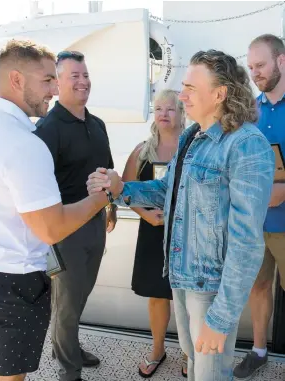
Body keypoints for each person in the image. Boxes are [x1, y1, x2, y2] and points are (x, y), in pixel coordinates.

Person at [86, 49, 275, 381]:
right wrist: (122, 187)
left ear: (219, 94)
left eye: (190, 88)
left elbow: (247, 244)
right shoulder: (192, 137)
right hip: (181, 278)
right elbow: (166, 191)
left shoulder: (247, 145)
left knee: (210, 375)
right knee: (198, 369)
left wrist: (221, 318)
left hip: (211, 289)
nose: (182, 95)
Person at [0, 40, 120, 381]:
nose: (54, 89)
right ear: (16, 79)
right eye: (48, 80)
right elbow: (51, 229)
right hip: (14, 279)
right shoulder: (28, 141)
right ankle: (69, 368)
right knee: (9, 376)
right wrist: (105, 196)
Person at [34, 50, 117, 381]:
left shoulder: (97, 125)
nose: (83, 82)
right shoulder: (47, 129)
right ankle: (69, 370)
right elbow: (35, 187)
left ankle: (65, 346)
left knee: (80, 295)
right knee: (66, 305)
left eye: (85, 75)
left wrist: (108, 206)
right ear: (57, 83)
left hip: (95, 224)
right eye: (74, 76)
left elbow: (106, 171)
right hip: (64, 231)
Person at [121, 89, 188, 378]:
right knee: (157, 297)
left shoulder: (193, 146)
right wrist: (146, 215)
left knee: (187, 297)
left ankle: (189, 353)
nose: (164, 113)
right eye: (159, 108)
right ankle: (158, 350)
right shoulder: (142, 151)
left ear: (181, 112)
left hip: (187, 233)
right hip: (152, 231)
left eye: (170, 109)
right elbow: (124, 189)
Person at [234, 34, 285, 380]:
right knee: (258, 287)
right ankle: (259, 351)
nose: (255, 73)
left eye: (261, 65)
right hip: (255, 222)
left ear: (281, 62)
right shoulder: (249, 111)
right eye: (251, 67)